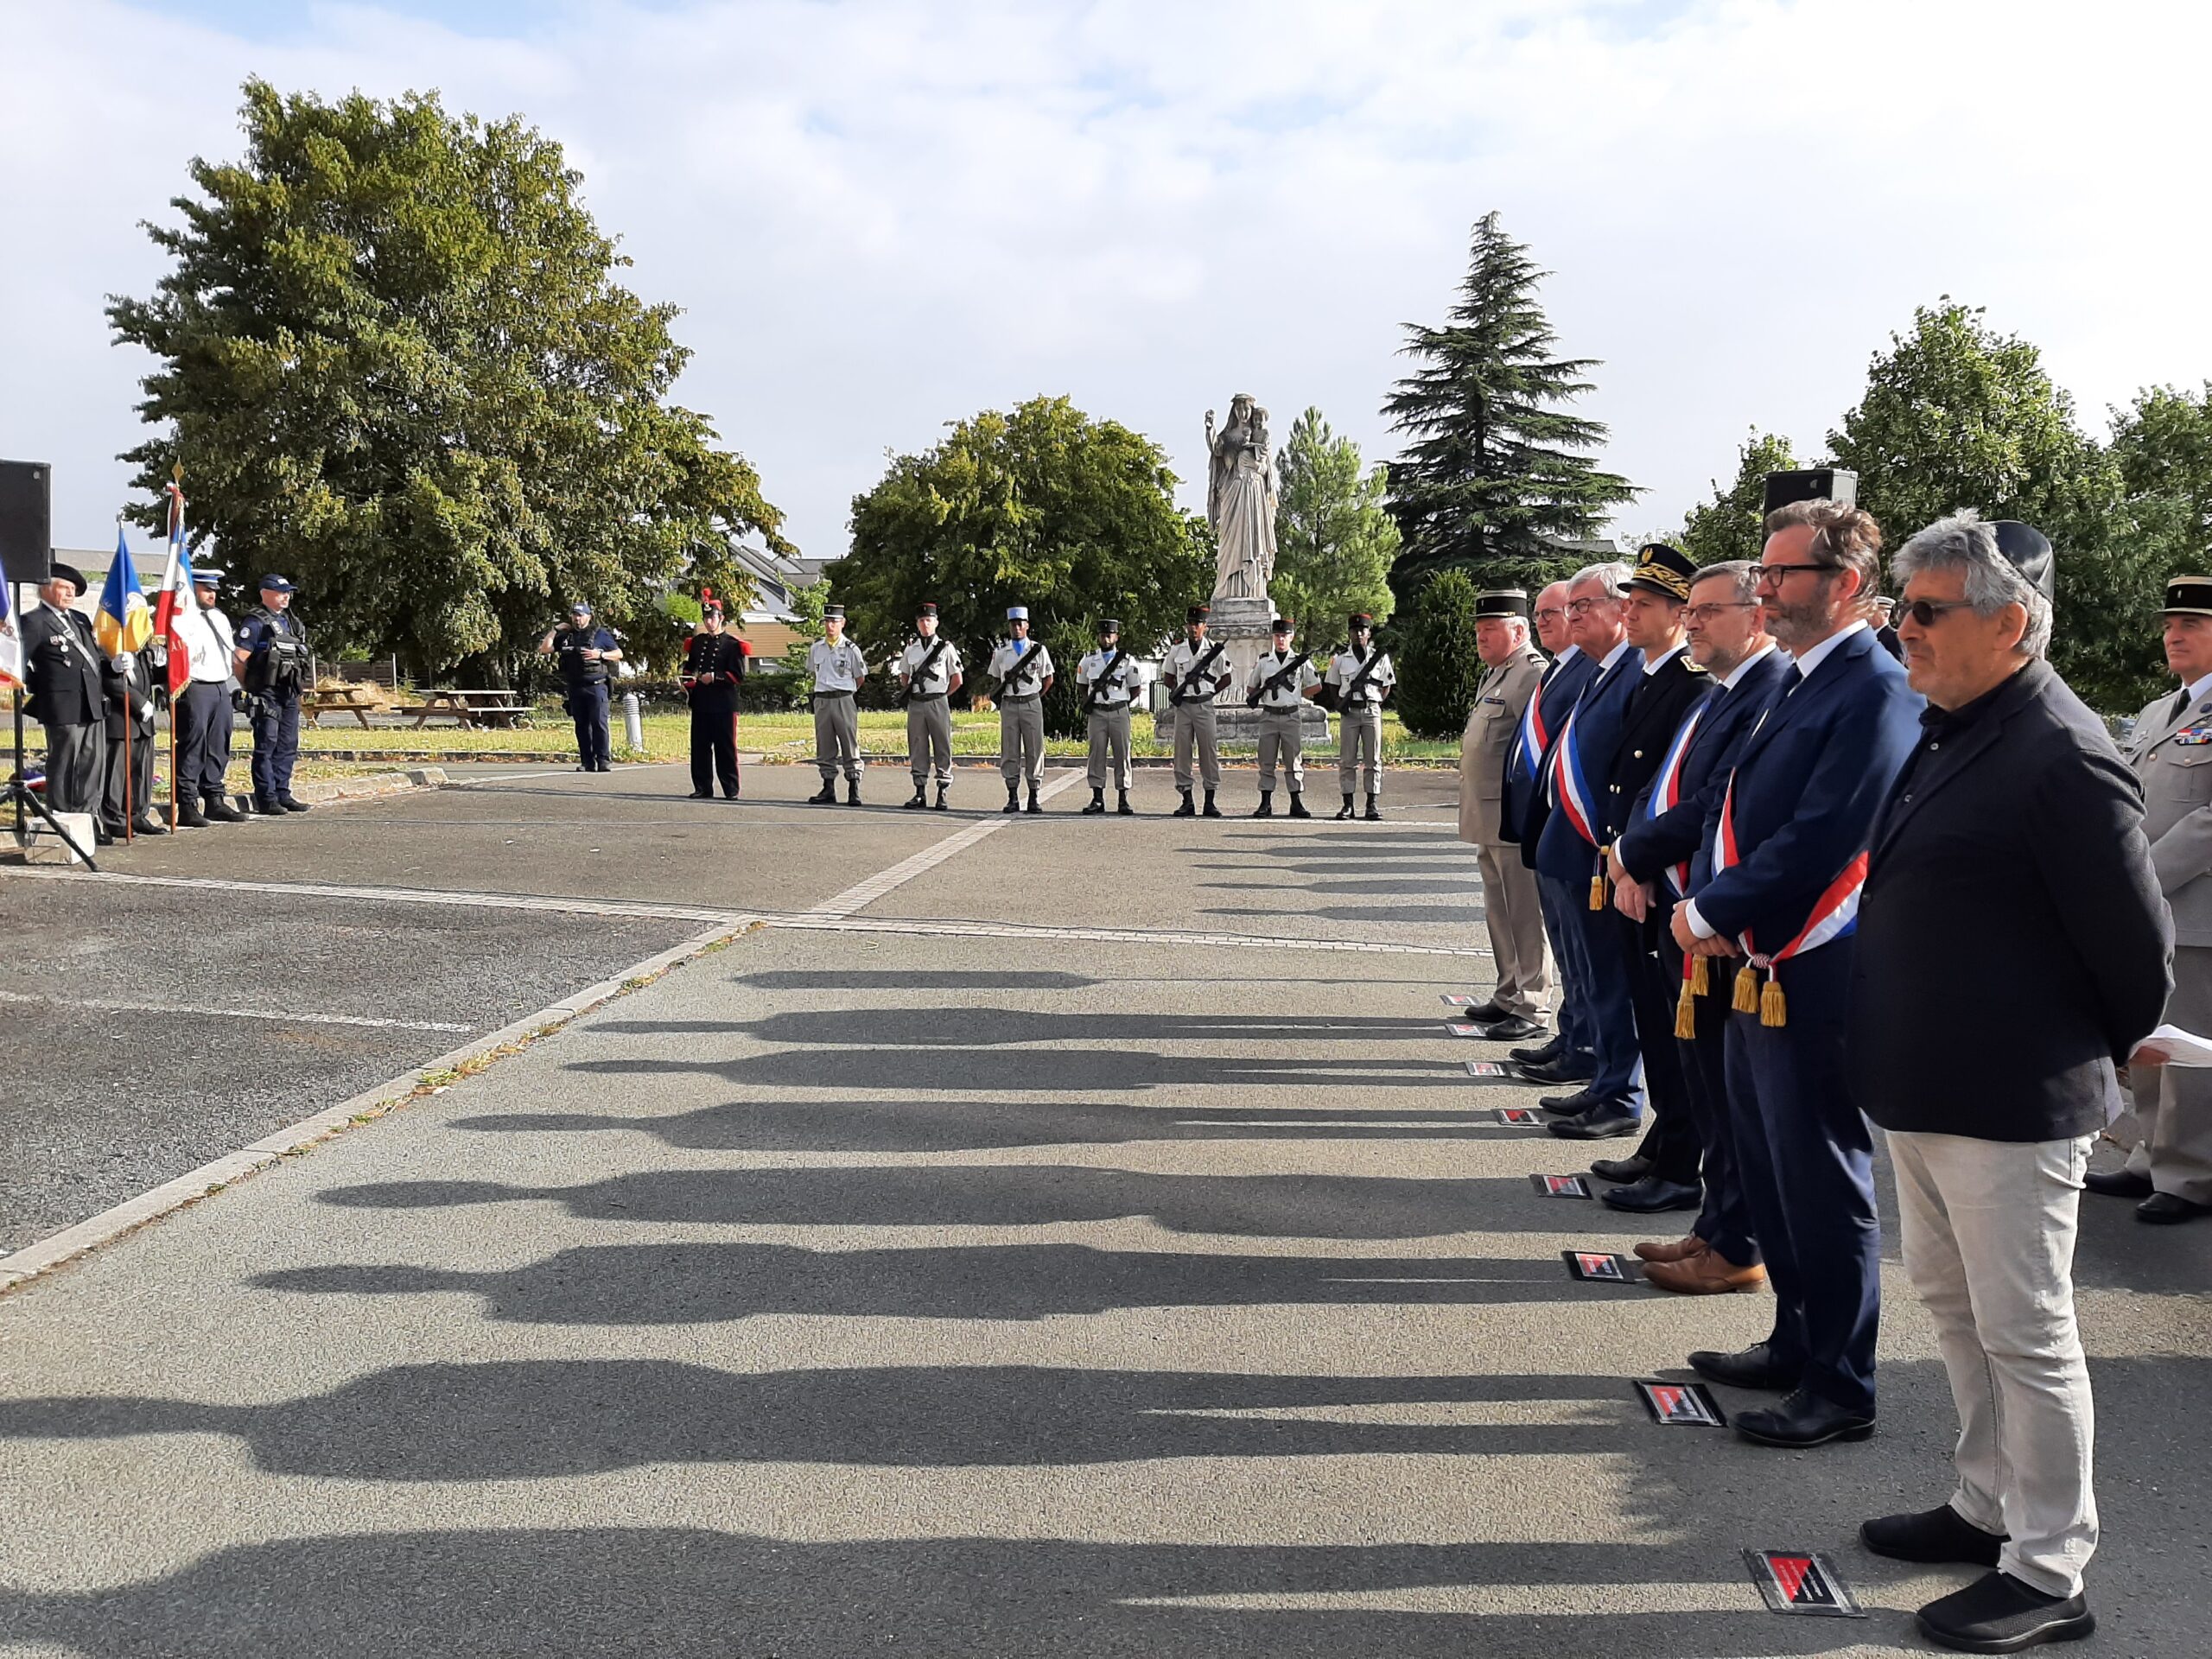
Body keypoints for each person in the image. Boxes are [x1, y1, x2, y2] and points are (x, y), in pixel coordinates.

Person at [1850, 513, 2168, 1654]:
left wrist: (2074, 1057)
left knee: (2026, 1331)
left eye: (1927, 611)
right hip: (1929, 1090)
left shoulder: (2061, 749)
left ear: (2010, 623)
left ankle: (2047, 1571)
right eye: (1903, 607)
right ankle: (1988, 1505)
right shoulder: (1958, 725)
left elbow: (2139, 956)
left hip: (2010, 1104)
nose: (1903, 629)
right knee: (1955, 1309)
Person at [1669, 495, 1921, 1449]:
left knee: (1820, 1175)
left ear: (1845, 586)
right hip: (1757, 957)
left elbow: (1824, 835)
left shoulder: (1872, 685)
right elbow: (1746, 809)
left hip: (1815, 961)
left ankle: (1841, 1382)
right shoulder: (1798, 677)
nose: (1764, 589)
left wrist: (1709, 910)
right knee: (1771, 1166)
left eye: (1781, 575)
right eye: (1764, 576)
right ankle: (1792, 1338)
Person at [1611, 559, 1788, 1292]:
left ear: (1757, 617)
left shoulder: (1768, 688)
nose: (1693, 621)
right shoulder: (1723, 691)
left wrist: (1631, 851)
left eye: (1709, 610)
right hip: (1688, 903)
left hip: (1720, 920)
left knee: (1726, 1092)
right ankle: (1718, 1229)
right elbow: (1673, 786)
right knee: (1706, 1082)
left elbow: (1718, 801)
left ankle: (1736, 1242)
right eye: (1692, 610)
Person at [1557, 543, 1707, 1155]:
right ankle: (1661, 1143)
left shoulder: (1687, 683)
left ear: (1676, 613)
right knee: (1645, 1007)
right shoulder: (1650, 679)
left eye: (1643, 604)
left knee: (1667, 1021)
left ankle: (1672, 1151)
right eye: (1630, 601)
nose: (1630, 614)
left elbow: (1674, 790)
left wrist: (1635, 860)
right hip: (1624, 863)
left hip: (1652, 872)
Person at [2100, 575, 2212, 1223]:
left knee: (2193, 1046)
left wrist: (2140, 874)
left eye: (2192, 625)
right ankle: (2150, 1157)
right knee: (2151, 1037)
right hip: (2148, 905)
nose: (2175, 634)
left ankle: (2192, 1174)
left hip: (2193, 906)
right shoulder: (2155, 713)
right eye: (2171, 625)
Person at [1529, 562, 1647, 1131]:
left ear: (1622, 609)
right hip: (1569, 846)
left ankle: (1620, 1091)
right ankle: (1602, 1077)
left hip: (1599, 853)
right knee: (1586, 974)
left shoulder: (1634, 674)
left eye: (1583, 606)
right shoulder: (1602, 671)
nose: (1573, 616)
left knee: (1609, 978)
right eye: (1568, 607)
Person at [1507, 580, 1599, 1084]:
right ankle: (1572, 1033)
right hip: (1548, 828)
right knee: (1569, 953)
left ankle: (1588, 1049)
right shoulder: (1563, 668)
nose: (1543, 621)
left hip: (1576, 832)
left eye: (1554, 612)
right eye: (1538, 614)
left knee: (1586, 957)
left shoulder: (1586, 668)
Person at [1457, 589, 1550, 1041]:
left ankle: (1532, 1003)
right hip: (1486, 815)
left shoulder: (1531, 674)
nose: (1481, 638)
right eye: (1479, 630)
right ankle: (1508, 991)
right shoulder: (1499, 673)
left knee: (1524, 912)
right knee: (1499, 910)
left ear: (1518, 631)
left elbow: (1536, 750)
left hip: (1511, 817)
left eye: (1489, 630)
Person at [21, 563, 107, 831]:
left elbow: (92, 657)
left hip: (91, 702)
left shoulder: (79, 619)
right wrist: (42, 686)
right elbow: (18, 663)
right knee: (64, 763)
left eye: (73, 590)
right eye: (64, 588)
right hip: (62, 705)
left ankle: (87, 818)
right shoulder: (34, 621)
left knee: (93, 763)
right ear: (46, 589)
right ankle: (61, 818)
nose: (70, 594)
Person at [232, 574, 312, 815]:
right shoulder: (256, 622)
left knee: (288, 744)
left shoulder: (291, 622)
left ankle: (282, 793)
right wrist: (250, 686)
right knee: (267, 742)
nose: (286, 596)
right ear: (265, 593)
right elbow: (239, 659)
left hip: (288, 691)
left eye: (288, 592)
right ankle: (266, 797)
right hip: (265, 691)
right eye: (281, 592)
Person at [171, 567, 243, 825]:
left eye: (214, 590)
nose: (212, 595)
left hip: (219, 686)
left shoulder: (220, 618)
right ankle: (187, 802)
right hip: (194, 686)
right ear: (192, 589)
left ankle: (214, 798)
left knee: (218, 745)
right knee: (193, 745)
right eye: (206, 589)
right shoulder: (181, 619)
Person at [1324, 613, 1395, 819]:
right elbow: (1333, 685)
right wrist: (1341, 705)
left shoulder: (1380, 657)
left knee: (1373, 759)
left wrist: (1374, 703)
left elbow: (1386, 686)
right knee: (1347, 760)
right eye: (1354, 631)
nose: (1358, 634)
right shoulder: (1339, 659)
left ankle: (1371, 804)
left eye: (1362, 630)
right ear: (1349, 634)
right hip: (1350, 713)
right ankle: (1348, 805)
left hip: (1371, 710)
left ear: (1369, 633)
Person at [1163, 605, 1231, 817]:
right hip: (1184, 706)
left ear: (1205, 627)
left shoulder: (1214, 650)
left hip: (1204, 705)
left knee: (1208, 752)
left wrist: (1210, 694)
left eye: (1198, 624)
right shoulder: (1177, 650)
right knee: (1182, 752)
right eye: (1191, 624)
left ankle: (1210, 801)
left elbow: (1226, 678)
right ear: (1186, 626)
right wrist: (1179, 691)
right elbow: (1168, 677)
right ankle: (1187, 800)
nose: (1194, 628)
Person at [985, 607, 1053, 814]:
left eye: (1020, 623)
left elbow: (1048, 678)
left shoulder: (1038, 650)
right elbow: (996, 679)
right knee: (1010, 750)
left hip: (1031, 702)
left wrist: (1036, 696)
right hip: (1010, 704)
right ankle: (1012, 796)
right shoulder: (1001, 653)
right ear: (1009, 626)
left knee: (1034, 749)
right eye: (1013, 624)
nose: (1017, 627)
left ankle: (1034, 796)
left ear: (1027, 626)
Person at [1247, 616, 1318, 818]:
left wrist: (1297, 695)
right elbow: (1251, 687)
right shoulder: (1264, 661)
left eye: (1285, 635)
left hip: (1290, 715)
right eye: (1277, 635)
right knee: (1266, 760)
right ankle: (1265, 803)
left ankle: (1296, 802)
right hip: (1269, 714)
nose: (1281, 639)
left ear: (1292, 637)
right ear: (1273, 637)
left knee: (1293, 759)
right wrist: (1265, 690)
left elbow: (1316, 686)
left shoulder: (1299, 662)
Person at [538, 601, 621, 772]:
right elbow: (545, 649)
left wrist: (600, 654)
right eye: (575, 615)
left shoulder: (600, 634)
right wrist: (555, 629)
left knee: (599, 723)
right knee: (581, 725)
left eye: (580, 615)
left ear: (588, 617)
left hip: (597, 686)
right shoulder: (567, 636)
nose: (577, 619)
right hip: (576, 686)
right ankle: (587, 761)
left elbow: (618, 654)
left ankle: (603, 760)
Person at [897, 601, 963, 811]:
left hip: (937, 701)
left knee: (942, 745)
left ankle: (942, 791)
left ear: (936, 622)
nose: (925, 624)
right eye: (922, 620)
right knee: (917, 746)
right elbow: (904, 674)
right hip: (917, 703)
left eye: (929, 620)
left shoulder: (946, 648)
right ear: (917, 624)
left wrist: (944, 695)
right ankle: (919, 791)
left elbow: (957, 678)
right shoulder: (911, 649)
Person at [681, 603, 747, 800]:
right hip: (702, 701)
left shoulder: (732, 644)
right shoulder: (698, 642)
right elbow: (689, 668)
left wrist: (715, 677)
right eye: (706, 618)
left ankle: (731, 788)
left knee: (725, 747)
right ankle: (702, 787)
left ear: (721, 618)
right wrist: (686, 682)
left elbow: (738, 676)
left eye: (713, 618)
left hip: (724, 704)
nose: (709, 622)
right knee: (700, 746)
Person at [1076, 618, 1141, 816]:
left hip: (1119, 711)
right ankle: (1097, 798)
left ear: (1116, 637)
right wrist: (1089, 702)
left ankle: (1123, 799)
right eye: (1103, 635)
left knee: (1122, 754)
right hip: (1097, 713)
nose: (1106, 638)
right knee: (1096, 754)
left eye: (1109, 635)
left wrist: (1122, 703)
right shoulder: (1088, 659)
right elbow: (1081, 685)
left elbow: (1135, 688)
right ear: (1098, 637)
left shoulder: (1127, 661)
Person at [100, 642, 164, 838]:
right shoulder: (112, 640)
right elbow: (109, 680)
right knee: (117, 774)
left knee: (142, 773)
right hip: (121, 716)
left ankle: (138, 815)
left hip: (143, 721)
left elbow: (147, 679)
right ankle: (115, 818)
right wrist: (138, 702)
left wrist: (165, 665)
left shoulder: (141, 647)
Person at [805, 605, 866, 805]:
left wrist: (845, 691)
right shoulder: (816, 648)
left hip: (843, 698)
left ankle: (853, 787)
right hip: (823, 698)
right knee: (825, 744)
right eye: (827, 622)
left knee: (849, 742)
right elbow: (814, 673)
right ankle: (828, 787)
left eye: (834, 622)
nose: (830, 626)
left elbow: (859, 678)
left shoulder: (851, 649)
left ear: (843, 624)